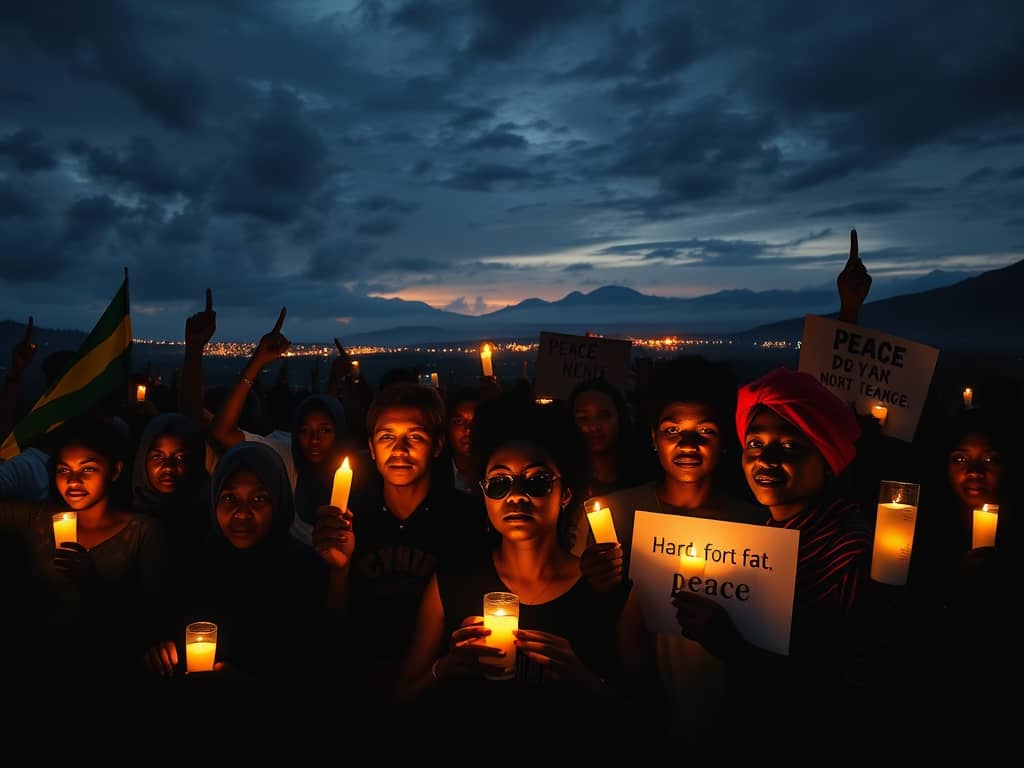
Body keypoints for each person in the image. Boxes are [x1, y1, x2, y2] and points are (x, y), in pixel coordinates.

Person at [395, 394, 662, 761]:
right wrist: (447, 669)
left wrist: (584, 682)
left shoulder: (610, 593)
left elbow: (650, 721)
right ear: (484, 494)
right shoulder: (452, 582)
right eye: (500, 483)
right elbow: (403, 701)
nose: (517, 496)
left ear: (565, 493)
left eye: (536, 482)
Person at [671, 367, 873, 761]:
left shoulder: (849, 554)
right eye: (755, 444)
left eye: (789, 447)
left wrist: (735, 649)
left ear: (825, 457)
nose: (766, 459)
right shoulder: (767, 536)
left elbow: (858, 692)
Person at [578, 355, 762, 751]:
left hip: (734, 725)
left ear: (726, 440)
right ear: (653, 438)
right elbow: (580, 625)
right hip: (638, 721)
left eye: (705, 431)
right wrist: (592, 588)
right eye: (672, 429)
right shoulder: (613, 516)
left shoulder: (759, 526)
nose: (688, 444)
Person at [142, 441, 330, 750]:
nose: (243, 513)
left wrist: (255, 688)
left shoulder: (305, 571)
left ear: (280, 501)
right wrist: (158, 655)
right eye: (230, 498)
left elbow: (318, 677)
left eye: (259, 498)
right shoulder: (189, 567)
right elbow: (161, 634)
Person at [312, 380, 466, 750]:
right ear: (371, 447)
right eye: (386, 437)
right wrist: (338, 568)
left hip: (443, 697)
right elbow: (332, 624)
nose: (399, 450)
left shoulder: (465, 518)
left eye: (414, 437)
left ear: (438, 444)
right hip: (360, 692)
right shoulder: (348, 519)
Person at [29, 416, 169, 734]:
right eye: (64, 470)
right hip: (42, 678)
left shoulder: (142, 532)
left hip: (111, 684)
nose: (74, 480)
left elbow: (153, 617)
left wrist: (94, 581)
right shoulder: (39, 521)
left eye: (88, 469)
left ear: (116, 471)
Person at [209, 307, 360, 545]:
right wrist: (257, 362)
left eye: (325, 431)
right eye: (305, 431)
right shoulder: (284, 457)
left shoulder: (362, 470)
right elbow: (222, 432)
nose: (314, 440)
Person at [130, 412, 211, 572]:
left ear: (195, 461)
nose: (168, 467)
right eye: (157, 457)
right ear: (143, 460)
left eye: (180, 458)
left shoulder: (213, 515)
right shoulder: (126, 518)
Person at [569, 377, 652, 500]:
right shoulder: (566, 486)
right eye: (583, 418)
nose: (594, 427)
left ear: (620, 418)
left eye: (603, 416)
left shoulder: (645, 483)